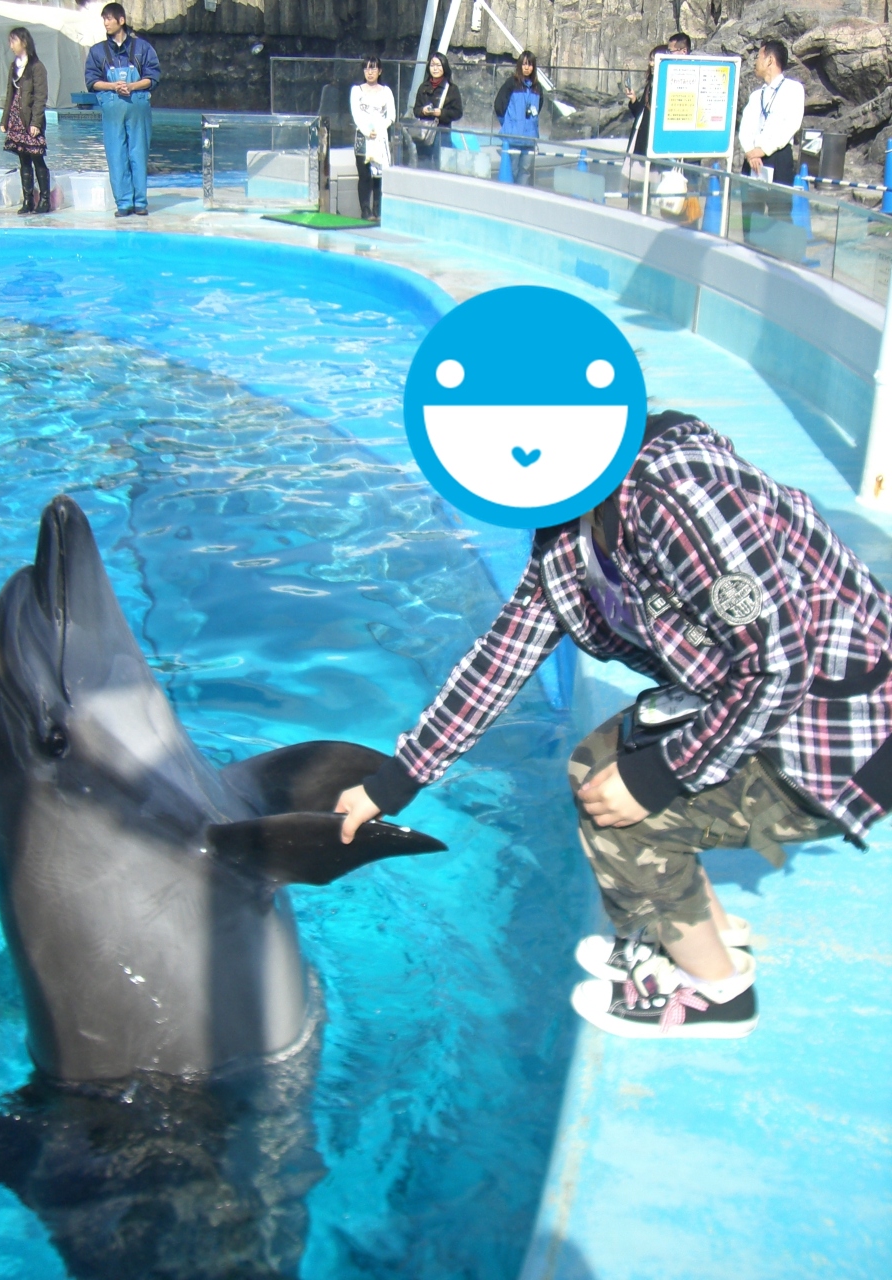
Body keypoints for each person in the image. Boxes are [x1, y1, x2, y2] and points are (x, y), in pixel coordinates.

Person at [335, 411, 892, 1040]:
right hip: (764, 707)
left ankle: (718, 992)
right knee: (596, 764)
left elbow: (777, 664)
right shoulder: (571, 522)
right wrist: (396, 781)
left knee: (624, 816)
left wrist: (661, 775)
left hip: (840, 740)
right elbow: (503, 656)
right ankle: (701, 930)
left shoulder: (679, 498)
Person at [84, 3, 160, 218]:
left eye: (109, 18)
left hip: (138, 106)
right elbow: (91, 81)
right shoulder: (97, 51)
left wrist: (132, 86)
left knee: (138, 153)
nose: (106, 23)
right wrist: (113, 86)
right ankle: (123, 203)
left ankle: (140, 202)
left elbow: (153, 77)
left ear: (121, 20)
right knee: (116, 155)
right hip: (112, 109)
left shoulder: (143, 48)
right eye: (104, 19)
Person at [738, 37, 804, 197]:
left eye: (758, 57)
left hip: (778, 157)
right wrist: (751, 152)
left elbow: (789, 126)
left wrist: (762, 150)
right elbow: (745, 127)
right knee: (750, 208)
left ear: (770, 60)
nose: (755, 62)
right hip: (752, 159)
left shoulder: (793, 89)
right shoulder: (756, 95)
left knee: (778, 208)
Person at [0, 28, 50, 216]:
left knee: (37, 157)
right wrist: (5, 119)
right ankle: (28, 199)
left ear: (24, 42)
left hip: (30, 119)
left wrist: (36, 122)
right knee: (23, 158)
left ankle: (44, 199)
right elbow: (9, 94)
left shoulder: (37, 67)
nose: (11, 45)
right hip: (16, 117)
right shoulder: (13, 66)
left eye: (13, 41)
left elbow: (40, 96)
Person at [350, 54, 395, 221]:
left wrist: (379, 129)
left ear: (380, 71)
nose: (370, 72)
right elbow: (356, 114)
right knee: (364, 175)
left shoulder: (386, 91)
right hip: (363, 138)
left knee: (379, 175)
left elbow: (391, 116)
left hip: (380, 138)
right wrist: (367, 131)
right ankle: (365, 210)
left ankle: (378, 210)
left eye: (373, 68)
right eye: (367, 68)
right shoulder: (357, 91)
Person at [494, 49, 543, 187]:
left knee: (525, 171)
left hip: (529, 139)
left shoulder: (537, 87)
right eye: (524, 64)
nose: (527, 68)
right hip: (513, 138)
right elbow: (499, 105)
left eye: (530, 64)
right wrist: (508, 124)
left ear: (533, 67)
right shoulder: (511, 83)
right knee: (513, 170)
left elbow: (539, 107)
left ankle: (522, 194)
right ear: (519, 65)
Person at [411, 52, 462, 169]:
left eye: (438, 65)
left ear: (444, 67)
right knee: (423, 165)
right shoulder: (423, 87)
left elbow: (458, 112)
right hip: (424, 133)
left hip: (442, 132)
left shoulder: (452, 89)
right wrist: (423, 111)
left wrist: (441, 113)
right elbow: (416, 110)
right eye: (432, 65)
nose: (435, 68)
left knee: (441, 165)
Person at [623, 45, 666, 169]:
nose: (651, 64)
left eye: (653, 60)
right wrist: (634, 99)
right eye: (650, 60)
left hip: (653, 142)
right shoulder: (650, 84)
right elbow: (641, 114)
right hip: (640, 137)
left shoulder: (663, 86)